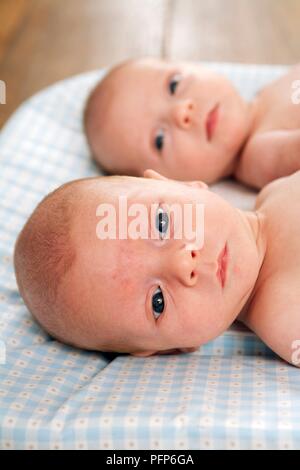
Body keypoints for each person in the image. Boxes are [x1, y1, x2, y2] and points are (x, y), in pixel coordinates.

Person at [14, 169, 300, 366]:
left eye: (161, 224)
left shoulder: (273, 189)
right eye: (158, 302)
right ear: (173, 348)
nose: (184, 263)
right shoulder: (285, 322)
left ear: (178, 183)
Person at [84, 58, 300, 189]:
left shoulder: (267, 92)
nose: (181, 111)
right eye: (159, 140)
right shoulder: (258, 155)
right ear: (167, 182)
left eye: (174, 85)